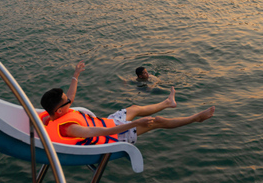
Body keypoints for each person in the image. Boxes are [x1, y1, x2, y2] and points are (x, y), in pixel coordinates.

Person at [40, 61, 214, 145]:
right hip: (115, 135)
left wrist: (75, 75)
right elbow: (104, 132)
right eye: (66, 101)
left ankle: (168, 103)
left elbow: (70, 95)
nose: (69, 100)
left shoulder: (56, 113)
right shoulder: (71, 128)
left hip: (109, 122)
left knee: (135, 108)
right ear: (60, 111)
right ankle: (196, 118)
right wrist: (136, 123)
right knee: (157, 121)